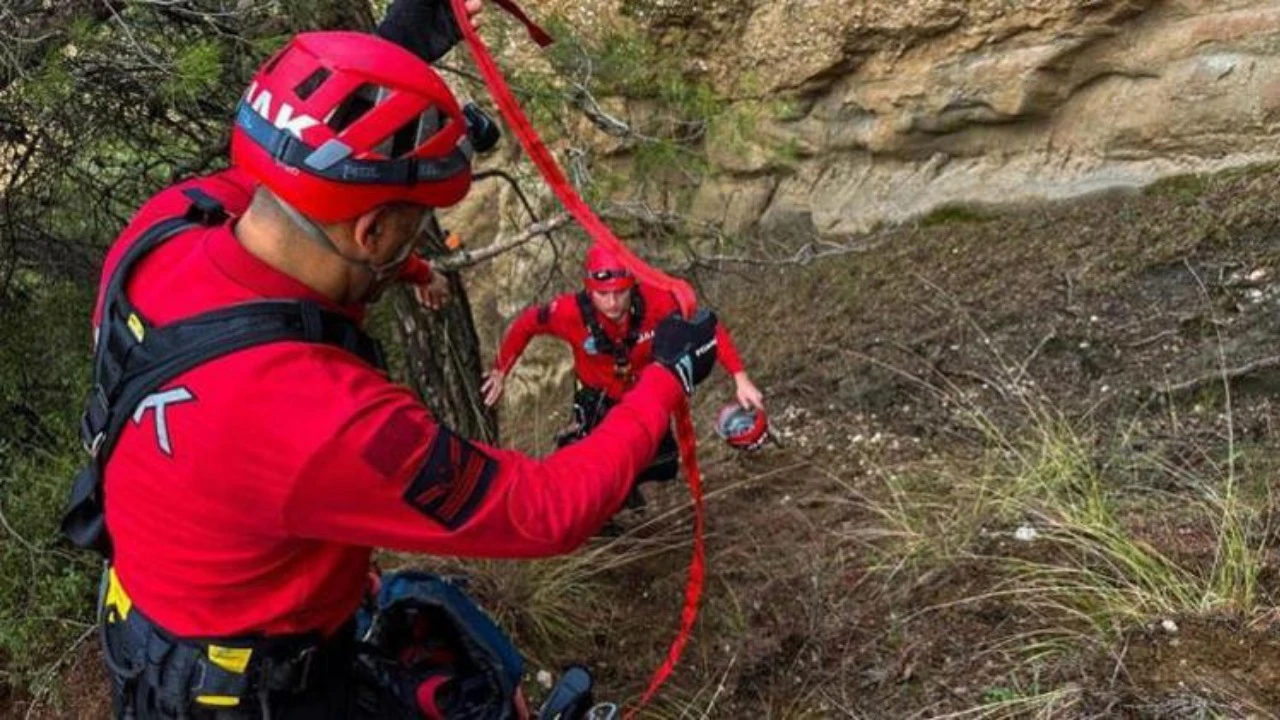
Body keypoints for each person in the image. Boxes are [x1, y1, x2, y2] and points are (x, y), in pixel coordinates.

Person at [65, 1, 723, 717]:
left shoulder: (163, 229)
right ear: (374, 231)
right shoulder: (329, 420)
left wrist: (393, 54)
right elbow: (547, 509)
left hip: (161, 639)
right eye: (412, 235)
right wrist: (667, 376)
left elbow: (288, 191)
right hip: (260, 692)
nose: (413, 250)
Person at [481, 245, 764, 502]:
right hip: (597, 397)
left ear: (633, 285)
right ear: (590, 290)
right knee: (599, 472)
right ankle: (601, 504)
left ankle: (624, 492)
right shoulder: (569, 312)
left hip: (643, 396)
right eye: (603, 294)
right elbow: (528, 323)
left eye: (620, 292)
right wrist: (500, 368)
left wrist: (740, 377)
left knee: (663, 465)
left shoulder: (658, 302)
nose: (613, 303)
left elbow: (707, 328)